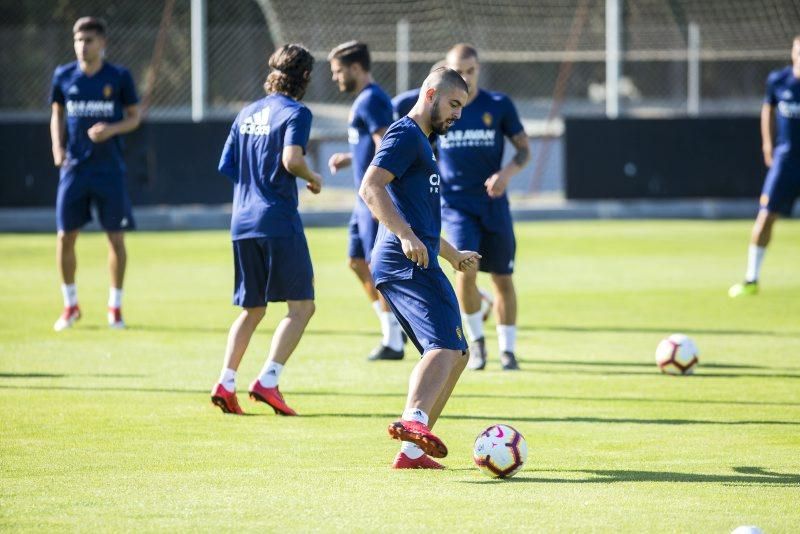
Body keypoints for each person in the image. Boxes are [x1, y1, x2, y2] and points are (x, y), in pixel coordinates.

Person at [360, 67, 480, 469]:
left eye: (461, 107)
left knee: (458, 352)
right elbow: (370, 187)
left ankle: (412, 451)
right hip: (403, 260)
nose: (458, 114)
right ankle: (412, 422)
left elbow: (422, 222)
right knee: (444, 347)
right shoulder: (405, 134)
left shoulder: (425, 144)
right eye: (453, 104)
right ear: (430, 94)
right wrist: (405, 237)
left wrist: (452, 254)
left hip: (420, 258)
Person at [210, 44, 322, 416]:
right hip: (276, 220)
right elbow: (291, 159)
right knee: (302, 306)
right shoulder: (296, 112)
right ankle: (268, 380)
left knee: (252, 308)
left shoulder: (245, 113)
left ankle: (226, 383)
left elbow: (229, 166)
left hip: (241, 222)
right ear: (304, 76)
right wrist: (312, 176)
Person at [439, 44, 530, 371]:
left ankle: (508, 351)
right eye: (457, 70)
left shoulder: (498, 105)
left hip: (493, 205)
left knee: (503, 277)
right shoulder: (438, 108)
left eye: (470, 70)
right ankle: (476, 345)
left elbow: (523, 150)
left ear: (478, 69)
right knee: (465, 273)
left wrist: (506, 174)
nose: (464, 76)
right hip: (456, 206)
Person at [50, 17, 141, 331]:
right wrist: (57, 150)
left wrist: (111, 129)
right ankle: (70, 305)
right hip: (74, 169)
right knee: (65, 236)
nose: (82, 46)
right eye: (77, 40)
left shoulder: (118, 76)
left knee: (115, 238)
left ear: (102, 43)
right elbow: (56, 114)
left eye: (88, 40)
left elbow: (134, 117)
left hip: (109, 171)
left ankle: (115, 307)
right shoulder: (62, 76)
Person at [326, 41, 405, 360]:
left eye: (338, 71)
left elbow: (387, 144)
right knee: (357, 263)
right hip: (363, 201)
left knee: (378, 267)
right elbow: (371, 146)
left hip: (372, 200)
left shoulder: (372, 100)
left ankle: (394, 340)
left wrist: (379, 198)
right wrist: (350, 157)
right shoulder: (365, 100)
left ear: (356, 68)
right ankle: (392, 332)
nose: (335, 77)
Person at [729, 36, 800, 298]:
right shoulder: (779, 81)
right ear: (793, 52)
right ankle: (751, 279)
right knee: (766, 215)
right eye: (798, 51)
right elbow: (767, 110)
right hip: (786, 161)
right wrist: (768, 145)